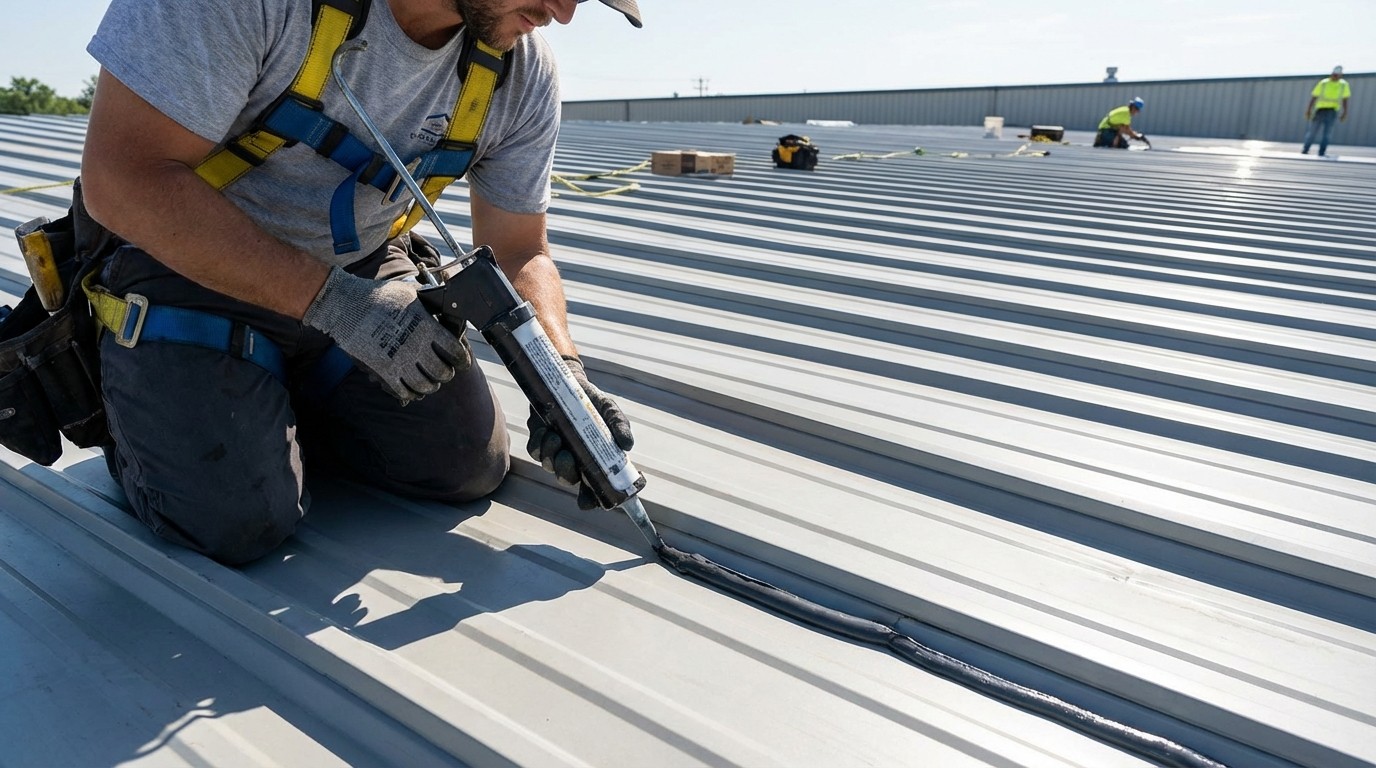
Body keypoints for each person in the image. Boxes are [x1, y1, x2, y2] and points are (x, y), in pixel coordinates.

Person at [78, 0, 643, 565]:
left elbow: (520, 247)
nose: (563, 14)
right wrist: (339, 308)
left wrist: (560, 376)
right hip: (188, 265)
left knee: (465, 463)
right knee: (236, 521)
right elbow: (121, 179)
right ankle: (144, 412)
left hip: (362, 272)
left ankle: (268, 402)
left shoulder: (518, 65)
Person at [1302, 66, 1351, 157]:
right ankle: (1305, 150)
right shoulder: (1324, 83)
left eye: (1337, 75)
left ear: (1340, 76)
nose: (1335, 77)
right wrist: (1308, 110)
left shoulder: (1343, 85)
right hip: (1320, 110)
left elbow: (1345, 99)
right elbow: (1314, 97)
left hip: (1332, 111)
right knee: (1312, 131)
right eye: (1334, 75)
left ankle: (1322, 152)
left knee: (1327, 134)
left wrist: (1345, 112)